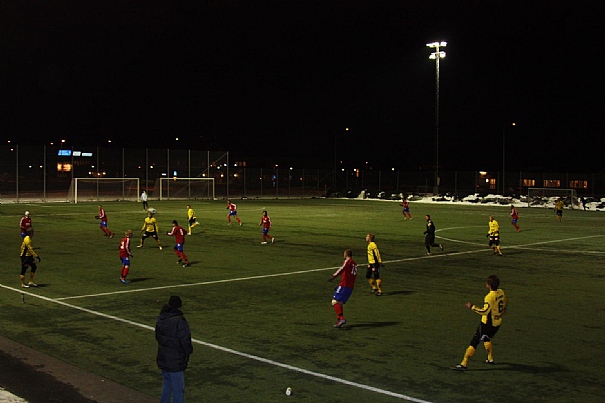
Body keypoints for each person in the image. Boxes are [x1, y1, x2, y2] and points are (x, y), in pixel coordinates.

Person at [453, 275, 508, 371]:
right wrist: (503, 309)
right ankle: (490, 358)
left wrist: (472, 307)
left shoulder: (489, 297)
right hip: (497, 323)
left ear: (489, 285)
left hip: (487, 324)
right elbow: (505, 302)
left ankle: (464, 364)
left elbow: (485, 311)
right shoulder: (501, 292)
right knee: (487, 338)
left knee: (474, 342)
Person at [155, 295, 193, 403]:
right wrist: (188, 351)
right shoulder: (179, 320)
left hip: (163, 357)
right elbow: (185, 340)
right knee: (178, 388)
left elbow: (158, 336)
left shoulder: (162, 317)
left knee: (167, 384)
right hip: (175, 360)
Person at [328, 249, 358, 328]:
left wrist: (333, 276)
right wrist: (339, 285)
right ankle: (339, 320)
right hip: (350, 287)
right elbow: (350, 276)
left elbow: (342, 269)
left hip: (344, 286)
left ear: (346, 254)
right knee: (340, 303)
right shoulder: (354, 264)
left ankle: (341, 319)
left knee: (334, 301)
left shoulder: (348, 261)